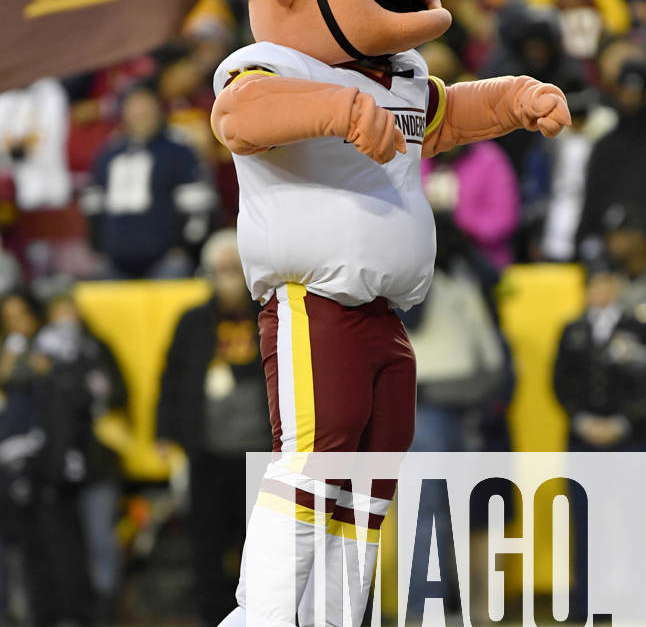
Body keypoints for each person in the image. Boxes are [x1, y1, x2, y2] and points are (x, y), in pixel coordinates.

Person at [210, 0, 570, 623]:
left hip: (386, 307)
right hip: (313, 295)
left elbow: (448, 114)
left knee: (371, 475)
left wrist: (514, 98)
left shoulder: (396, 74)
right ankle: (261, 614)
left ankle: (334, 615)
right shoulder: (271, 64)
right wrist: (341, 111)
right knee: (314, 457)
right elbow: (239, 116)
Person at [156, 229, 270, 626]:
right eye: (221, 270)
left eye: (234, 269)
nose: (228, 278)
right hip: (206, 452)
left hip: (261, 453)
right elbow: (171, 377)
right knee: (206, 544)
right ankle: (214, 617)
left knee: (261, 547)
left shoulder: (270, 315)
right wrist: (165, 432)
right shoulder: (192, 322)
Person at [553, 260, 646, 619]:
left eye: (608, 283)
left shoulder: (636, 329)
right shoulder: (573, 330)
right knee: (585, 521)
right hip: (583, 439)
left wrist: (623, 422)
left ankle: (634, 601)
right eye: (595, 284)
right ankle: (587, 602)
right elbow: (560, 382)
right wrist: (583, 420)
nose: (601, 291)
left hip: (630, 438)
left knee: (632, 519)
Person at [82, 85, 216, 279]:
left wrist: (186, 249)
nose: (140, 114)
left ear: (158, 109)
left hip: (166, 259)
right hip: (114, 260)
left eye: (145, 107)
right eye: (134, 107)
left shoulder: (178, 152)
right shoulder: (108, 154)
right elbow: (93, 205)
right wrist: (98, 247)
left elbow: (197, 207)